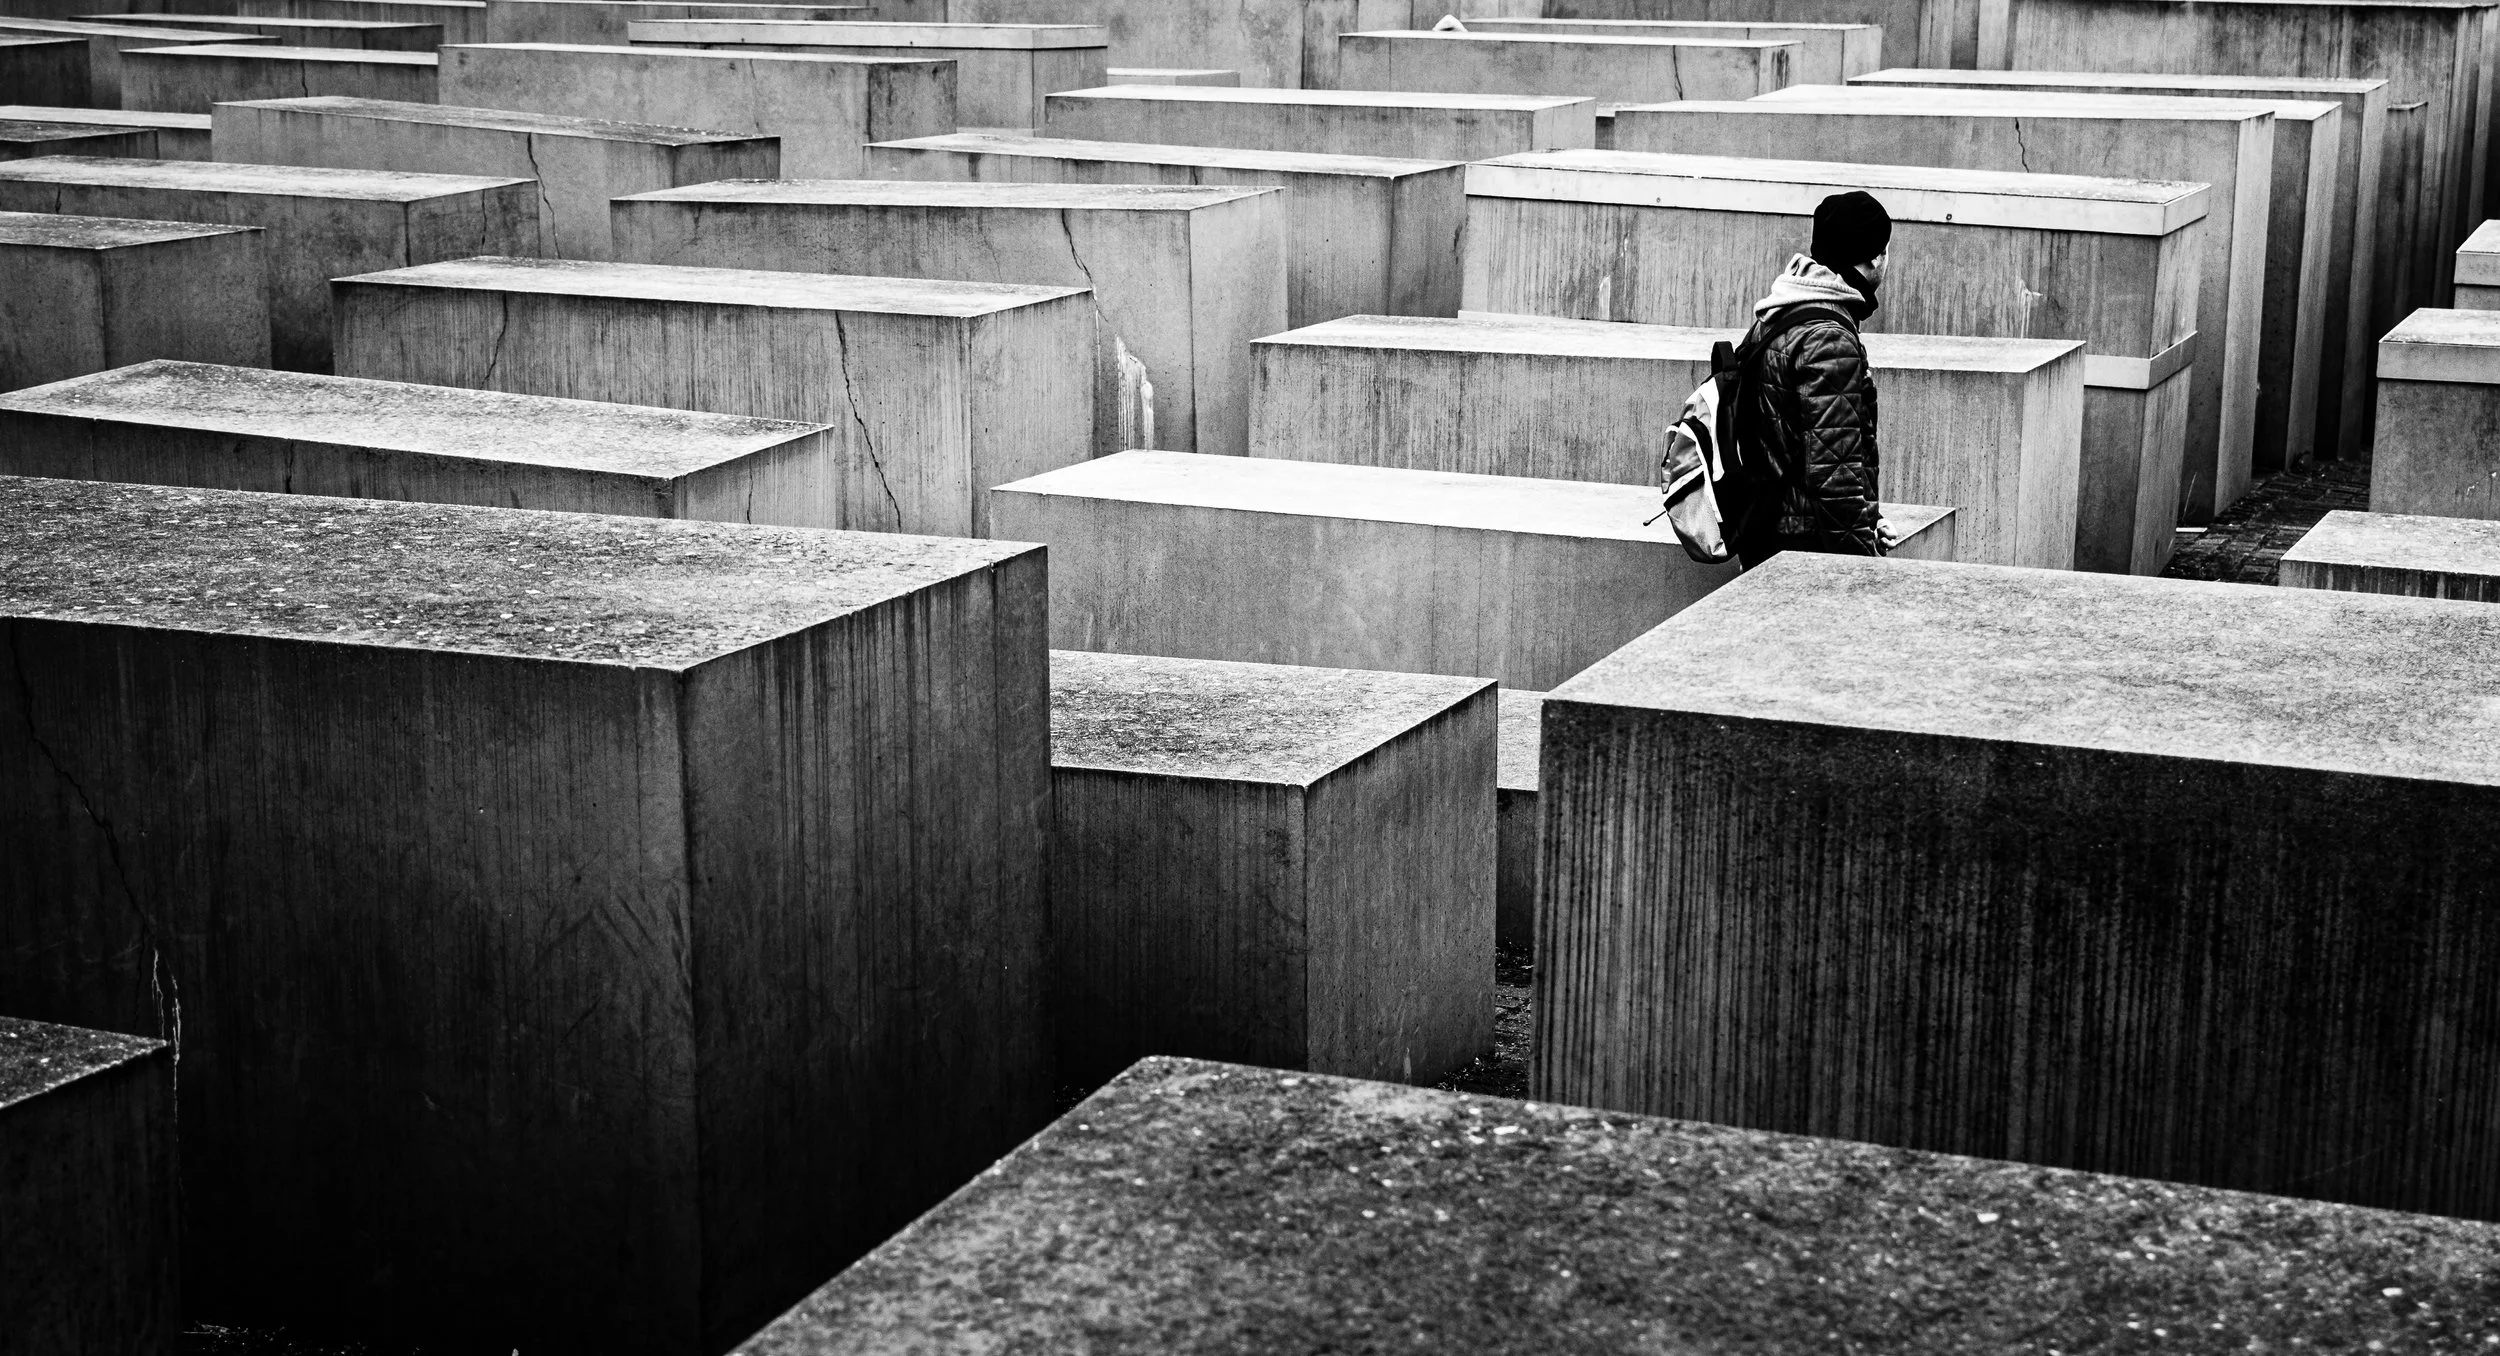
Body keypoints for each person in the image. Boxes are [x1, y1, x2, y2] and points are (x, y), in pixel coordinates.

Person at [1729, 189, 1905, 568]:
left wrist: (1870, 520)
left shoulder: (1781, 311)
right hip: (1804, 550)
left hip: (1768, 532)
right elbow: (1834, 476)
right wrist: (1863, 561)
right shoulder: (1829, 339)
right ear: (1876, 256)